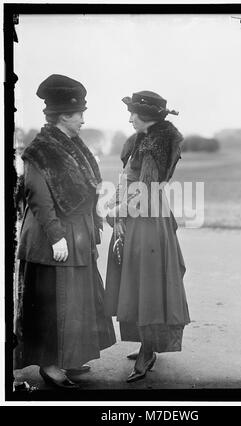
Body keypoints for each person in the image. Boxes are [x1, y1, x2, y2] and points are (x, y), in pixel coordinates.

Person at [15, 74, 116, 389]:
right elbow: (38, 197)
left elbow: (89, 191)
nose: (83, 120)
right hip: (52, 239)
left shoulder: (74, 146)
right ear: (62, 116)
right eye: (79, 114)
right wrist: (57, 235)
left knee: (76, 301)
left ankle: (70, 358)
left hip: (79, 234)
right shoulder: (40, 150)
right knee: (53, 304)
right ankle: (50, 365)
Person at [104, 91, 190, 383]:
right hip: (138, 216)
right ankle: (146, 344)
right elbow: (125, 178)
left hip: (148, 220)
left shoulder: (153, 146)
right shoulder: (142, 140)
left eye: (133, 114)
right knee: (139, 282)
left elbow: (147, 191)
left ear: (147, 118)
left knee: (148, 285)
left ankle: (147, 349)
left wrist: (117, 210)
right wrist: (118, 212)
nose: (129, 118)